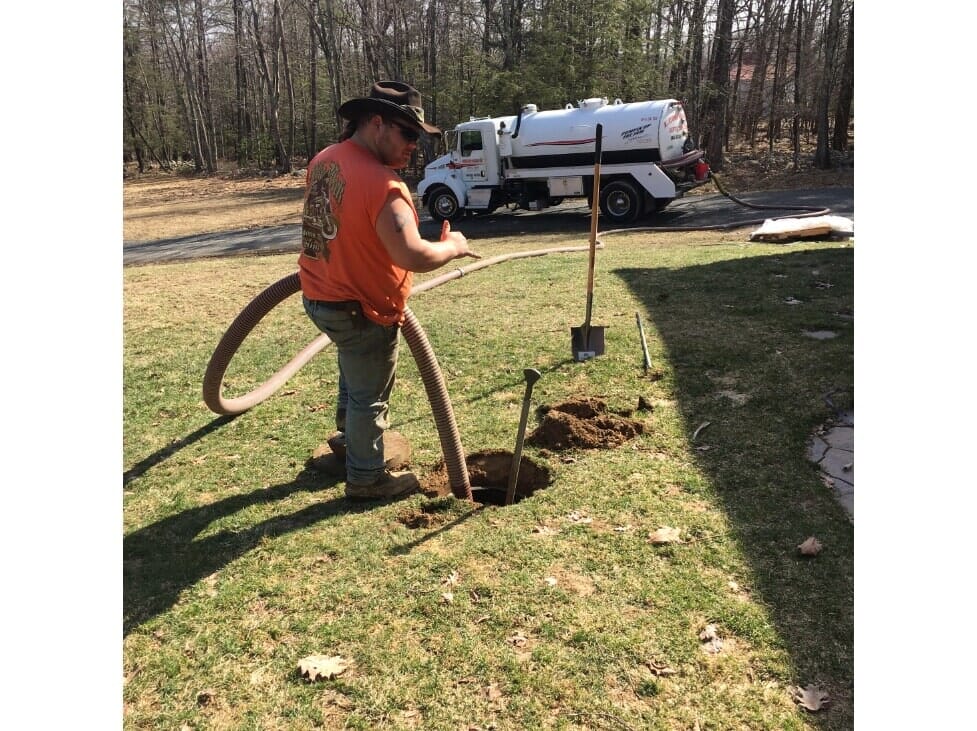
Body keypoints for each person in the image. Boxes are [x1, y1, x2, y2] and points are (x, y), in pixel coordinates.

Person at [299, 80, 480, 500]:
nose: (415, 146)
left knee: (353, 372)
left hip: (321, 298)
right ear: (376, 123)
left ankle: (347, 446)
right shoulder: (385, 186)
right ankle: (366, 478)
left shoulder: (325, 160)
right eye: (408, 134)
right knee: (369, 394)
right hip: (363, 309)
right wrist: (453, 247)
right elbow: (413, 255)